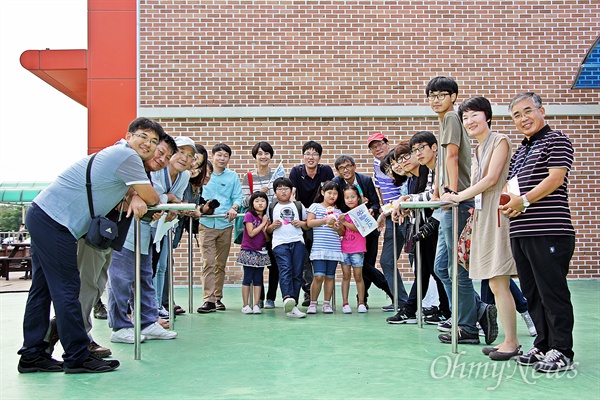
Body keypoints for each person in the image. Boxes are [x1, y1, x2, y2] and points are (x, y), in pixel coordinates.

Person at [18, 117, 163, 374]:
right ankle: (77, 356)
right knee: (67, 289)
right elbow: (152, 196)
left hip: (44, 215)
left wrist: (132, 194)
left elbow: (127, 188)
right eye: (143, 136)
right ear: (128, 135)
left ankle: (33, 354)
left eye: (153, 141)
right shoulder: (127, 156)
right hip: (55, 221)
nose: (148, 144)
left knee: (42, 289)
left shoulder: (117, 154)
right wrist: (139, 195)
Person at [74, 134, 177, 358]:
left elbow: (150, 198)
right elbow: (146, 195)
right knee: (115, 281)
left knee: (144, 277)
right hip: (117, 233)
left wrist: (153, 203)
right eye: (160, 152)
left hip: (141, 233)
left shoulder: (149, 170)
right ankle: (119, 326)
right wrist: (143, 197)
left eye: (167, 157)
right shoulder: (126, 160)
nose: (162, 159)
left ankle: (148, 321)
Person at [500, 92, 576, 373]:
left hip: (550, 230)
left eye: (527, 111)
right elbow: (512, 190)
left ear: (542, 111)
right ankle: (543, 345)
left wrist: (526, 200)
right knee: (532, 292)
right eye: (517, 116)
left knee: (551, 292)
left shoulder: (556, 140)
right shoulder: (520, 151)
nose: (523, 119)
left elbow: (555, 178)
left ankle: (562, 350)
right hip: (520, 231)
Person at [441, 96, 519, 360]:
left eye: (474, 114)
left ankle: (512, 342)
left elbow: (492, 178)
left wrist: (459, 195)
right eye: (465, 118)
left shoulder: (500, 140)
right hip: (483, 215)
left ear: (487, 116)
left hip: (499, 212)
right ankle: (509, 340)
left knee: (499, 279)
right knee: (495, 283)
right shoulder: (477, 149)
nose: (469, 121)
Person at [424, 76, 497, 346]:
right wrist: (437, 191)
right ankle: (477, 310)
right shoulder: (444, 122)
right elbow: (444, 162)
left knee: (455, 269)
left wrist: (452, 192)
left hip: (457, 201)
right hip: (447, 200)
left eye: (442, 94)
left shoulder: (453, 119)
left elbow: (452, 156)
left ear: (454, 97)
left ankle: (466, 327)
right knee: (441, 267)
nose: (436, 100)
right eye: (431, 95)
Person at [386, 137, 449, 325]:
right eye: (399, 159)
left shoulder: (426, 170)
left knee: (436, 270)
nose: (403, 162)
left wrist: (405, 200)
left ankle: (418, 309)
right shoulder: (413, 178)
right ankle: (417, 309)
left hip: (433, 227)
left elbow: (432, 196)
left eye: (407, 156)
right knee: (427, 270)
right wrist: (405, 206)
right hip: (422, 229)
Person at [332, 155, 392, 309]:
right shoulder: (336, 183)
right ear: (338, 171)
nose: (345, 170)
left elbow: (375, 203)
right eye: (341, 168)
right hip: (349, 232)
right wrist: (355, 206)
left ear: (354, 166)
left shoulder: (365, 180)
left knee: (368, 264)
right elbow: (337, 205)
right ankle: (384, 291)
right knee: (364, 266)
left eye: (348, 166)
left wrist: (370, 209)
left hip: (368, 230)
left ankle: (362, 299)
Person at [152, 137, 196, 321]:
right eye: (180, 152)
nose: (184, 158)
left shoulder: (184, 176)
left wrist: (172, 205)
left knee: (162, 266)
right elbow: (154, 197)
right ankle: (145, 308)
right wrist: (169, 199)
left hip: (166, 225)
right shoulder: (156, 170)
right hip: (147, 224)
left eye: (190, 155)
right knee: (148, 267)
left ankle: (157, 304)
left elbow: (176, 200)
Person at [197, 143, 243, 313]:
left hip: (225, 224)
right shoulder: (203, 175)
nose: (222, 158)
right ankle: (208, 300)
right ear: (213, 156)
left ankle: (217, 298)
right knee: (208, 262)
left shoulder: (232, 176)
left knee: (220, 264)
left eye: (225, 156)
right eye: (219, 155)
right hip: (206, 224)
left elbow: (238, 196)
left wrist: (234, 208)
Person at [289, 141, 334, 306]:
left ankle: (326, 298)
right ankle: (308, 293)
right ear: (303, 156)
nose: (311, 157)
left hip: (321, 220)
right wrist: (303, 213)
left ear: (319, 157)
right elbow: (292, 195)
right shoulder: (296, 171)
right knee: (305, 258)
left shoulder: (326, 171)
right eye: (308, 153)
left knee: (322, 257)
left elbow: (330, 194)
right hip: (303, 219)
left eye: (315, 154)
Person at [367, 132, 408, 312]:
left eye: (380, 145)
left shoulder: (399, 163)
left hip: (407, 216)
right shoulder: (376, 169)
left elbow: (406, 192)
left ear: (387, 144)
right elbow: (383, 197)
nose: (378, 149)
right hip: (392, 217)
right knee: (387, 261)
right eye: (373, 147)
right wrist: (384, 213)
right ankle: (402, 301)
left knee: (421, 262)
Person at [241, 142, 279, 309]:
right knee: (256, 266)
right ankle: (259, 299)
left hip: (274, 226)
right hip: (256, 227)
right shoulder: (248, 177)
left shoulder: (277, 176)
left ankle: (271, 297)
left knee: (274, 264)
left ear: (271, 156)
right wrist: (257, 195)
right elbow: (244, 201)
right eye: (260, 153)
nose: (263, 156)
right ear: (255, 156)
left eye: (266, 153)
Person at [266, 177, 308, 318]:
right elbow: (267, 229)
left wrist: (301, 223)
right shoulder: (271, 207)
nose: (283, 192)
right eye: (280, 189)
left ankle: (293, 306)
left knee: (297, 274)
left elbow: (307, 223)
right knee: (285, 269)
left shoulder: (298, 206)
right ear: (275, 192)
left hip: (298, 242)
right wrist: (272, 226)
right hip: (279, 244)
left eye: (286, 188)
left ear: (291, 191)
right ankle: (287, 298)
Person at [306, 181, 345, 314]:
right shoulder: (315, 207)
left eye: (335, 193)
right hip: (320, 248)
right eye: (329, 193)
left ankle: (326, 303)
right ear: (323, 192)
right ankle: (313, 303)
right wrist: (325, 220)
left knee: (330, 276)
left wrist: (337, 227)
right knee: (318, 276)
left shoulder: (338, 211)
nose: (332, 196)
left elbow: (342, 232)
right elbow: (309, 223)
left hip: (334, 248)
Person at [237, 191, 271, 314]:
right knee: (247, 278)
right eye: (257, 201)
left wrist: (266, 228)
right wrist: (262, 224)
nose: (260, 203)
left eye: (263, 201)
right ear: (252, 203)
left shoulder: (266, 217)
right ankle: (246, 304)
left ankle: (256, 304)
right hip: (248, 250)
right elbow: (251, 233)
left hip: (261, 251)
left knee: (258, 279)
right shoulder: (249, 215)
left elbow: (267, 238)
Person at [338, 185, 367, 313]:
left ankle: (361, 302)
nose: (350, 200)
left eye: (353, 197)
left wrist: (344, 222)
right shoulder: (344, 214)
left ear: (358, 198)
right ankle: (345, 303)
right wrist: (338, 225)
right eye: (347, 197)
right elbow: (343, 232)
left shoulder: (361, 212)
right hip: (345, 249)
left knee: (358, 276)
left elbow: (360, 228)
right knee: (345, 276)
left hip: (358, 249)